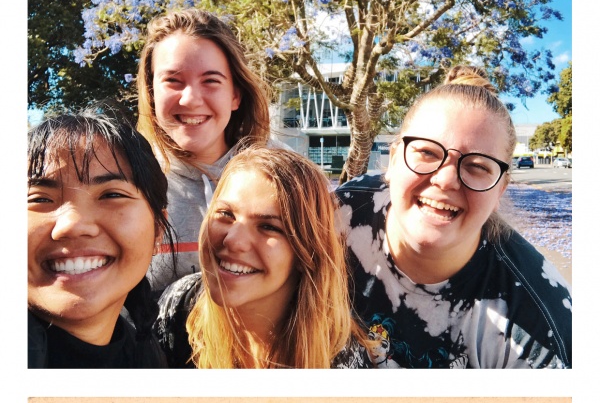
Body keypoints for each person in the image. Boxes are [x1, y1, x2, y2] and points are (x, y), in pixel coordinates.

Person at [336, 65, 572, 368]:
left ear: (500, 189)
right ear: (394, 160)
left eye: (477, 165)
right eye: (427, 153)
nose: (446, 180)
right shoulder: (340, 213)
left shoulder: (538, 327)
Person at [155, 146, 369, 368]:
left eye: (269, 227)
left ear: (307, 251)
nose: (233, 240)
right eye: (226, 214)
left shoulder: (339, 361)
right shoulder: (178, 306)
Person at [137, 8, 271, 292]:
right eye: (173, 81)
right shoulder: (126, 183)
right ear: (151, 92)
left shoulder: (282, 178)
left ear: (235, 95)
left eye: (211, 81)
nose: (191, 99)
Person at [28, 110, 174, 368]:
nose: (72, 225)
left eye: (111, 195)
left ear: (157, 231)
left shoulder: (149, 357)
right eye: (40, 199)